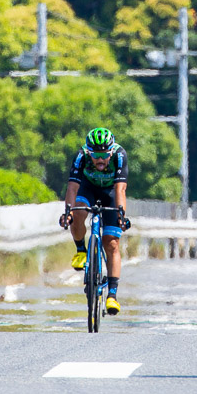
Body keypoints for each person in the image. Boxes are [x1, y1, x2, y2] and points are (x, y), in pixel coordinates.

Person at [59, 127, 130, 316]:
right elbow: (73, 187)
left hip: (110, 193)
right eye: (95, 155)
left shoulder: (119, 155)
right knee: (78, 211)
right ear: (89, 152)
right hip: (87, 189)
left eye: (104, 155)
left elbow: (121, 189)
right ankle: (81, 250)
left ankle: (112, 295)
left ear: (110, 152)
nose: (100, 159)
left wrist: (121, 214)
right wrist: (68, 212)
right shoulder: (81, 155)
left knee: (112, 243)